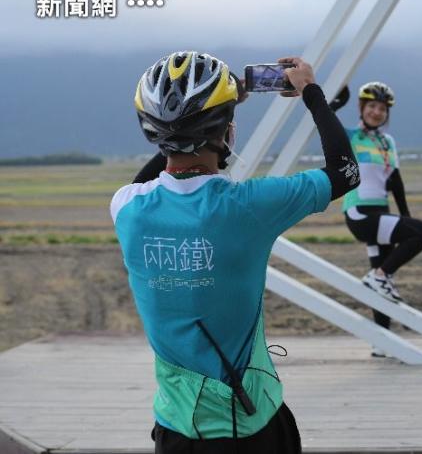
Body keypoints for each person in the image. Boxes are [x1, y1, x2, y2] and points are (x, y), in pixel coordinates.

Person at [110, 51, 358, 452]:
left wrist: (194, 121)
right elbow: (346, 171)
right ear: (227, 131)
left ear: (152, 131)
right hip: (252, 423)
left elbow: (150, 180)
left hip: (175, 427)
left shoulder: (127, 209)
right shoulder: (248, 206)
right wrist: (311, 90)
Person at [339, 82, 422, 356]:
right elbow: (325, 123)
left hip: (380, 211)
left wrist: (405, 215)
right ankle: (379, 276)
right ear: (362, 108)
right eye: (372, 106)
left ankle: (382, 343)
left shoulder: (386, 142)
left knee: (381, 278)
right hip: (359, 213)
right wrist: (334, 103)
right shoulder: (350, 136)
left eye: (382, 108)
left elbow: (395, 180)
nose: (377, 112)